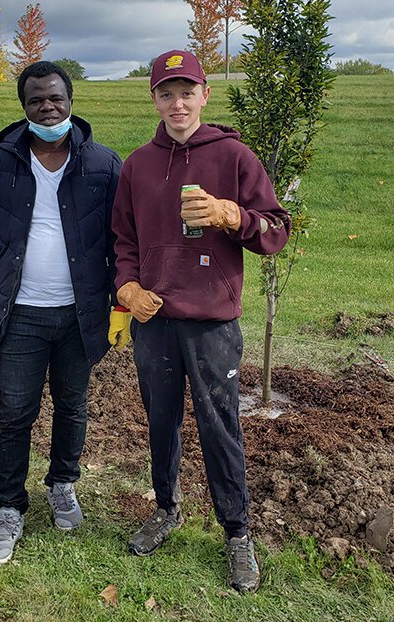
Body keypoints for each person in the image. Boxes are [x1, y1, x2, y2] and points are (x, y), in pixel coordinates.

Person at [110, 49, 291, 593]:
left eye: (187, 91)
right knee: (160, 420)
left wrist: (232, 215)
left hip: (212, 321)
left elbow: (276, 231)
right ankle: (167, 508)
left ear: (205, 94)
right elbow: (122, 240)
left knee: (219, 425)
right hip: (155, 319)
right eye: (167, 93)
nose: (178, 102)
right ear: (154, 100)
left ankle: (237, 532)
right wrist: (127, 288)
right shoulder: (138, 164)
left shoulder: (234, 156)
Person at [0, 61, 130, 564]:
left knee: (73, 406)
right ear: (24, 107)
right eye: (36, 101)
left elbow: (119, 242)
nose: (48, 108)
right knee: (15, 414)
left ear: (71, 100)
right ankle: (8, 508)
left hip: (79, 316)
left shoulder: (104, 165)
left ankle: (63, 484)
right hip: (20, 314)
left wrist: (119, 304)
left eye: (55, 98)